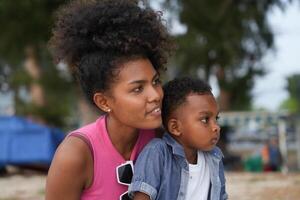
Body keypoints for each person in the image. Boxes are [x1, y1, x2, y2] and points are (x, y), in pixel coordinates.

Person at [45, 0, 174, 199]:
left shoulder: (161, 138)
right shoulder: (76, 154)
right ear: (104, 102)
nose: (156, 95)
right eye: (138, 89)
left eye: (155, 81)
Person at [128, 77, 228, 200]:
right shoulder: (158, 153)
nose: (216, 127)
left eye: (216, 119)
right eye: (205, 120)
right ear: (175, 127)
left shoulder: (215, 157)